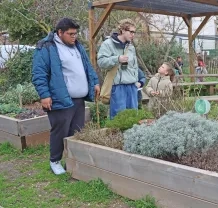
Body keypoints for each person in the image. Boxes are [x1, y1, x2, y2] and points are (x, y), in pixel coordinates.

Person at [32, 18, 100, 175]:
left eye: (75, 33)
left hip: (78, 100)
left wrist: (95, 82)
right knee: (60, 131)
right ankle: (55, 161)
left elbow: (87, 66)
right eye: (70, 34)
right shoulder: (47, 47)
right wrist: (44, 95)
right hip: (60, 98)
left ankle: (73, 160)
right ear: (59, 32)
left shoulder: (77, 46)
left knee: (77, 131)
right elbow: (39, 73)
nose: (74, 36)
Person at [97, 19, 140, 119]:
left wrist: (138, 81)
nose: (133, 35)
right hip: (118, 87)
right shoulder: (108, 44)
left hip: (132, 87)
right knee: (118, 118)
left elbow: (135, 66)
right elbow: (101, 62)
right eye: (131, 32)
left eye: (134, 32)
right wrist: (117, 59)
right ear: (123, 30)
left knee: (133, 117)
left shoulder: (131, 47)